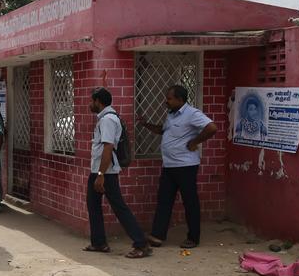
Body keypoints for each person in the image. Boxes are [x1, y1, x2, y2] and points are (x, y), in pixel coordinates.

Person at [137, 85, 219, 249]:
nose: (166, 101)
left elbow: (212, 127)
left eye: (169, 98)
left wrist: (195, 142)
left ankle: (193, 238)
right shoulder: (171, 114)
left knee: (190, 202)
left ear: (180, 100)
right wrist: (145, 124)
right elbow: (163, 131)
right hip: (169, 165)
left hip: (186, 166)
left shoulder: (192, 114)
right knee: (164, 200)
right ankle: (157, 235)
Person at [85, 88, 150, 257]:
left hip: (106, 172)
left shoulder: (107, 120)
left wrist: (101, 175)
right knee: (93, 205)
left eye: (92, 101)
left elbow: (108, 148)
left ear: (99, 101)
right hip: (99, 169)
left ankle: (141, 244)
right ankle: (98, 242)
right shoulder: (107, 118)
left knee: (119, 207)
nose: (90, 104)